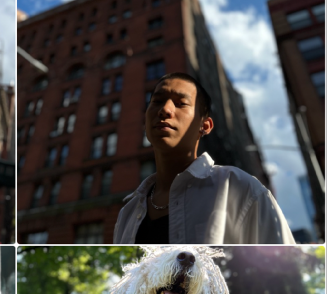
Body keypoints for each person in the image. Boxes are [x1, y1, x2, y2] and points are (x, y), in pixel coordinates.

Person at [113, 72, 295, 243]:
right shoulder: (127, 212)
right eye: (157, 101)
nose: (165, 110)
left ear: (205, 125)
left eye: (180, 103)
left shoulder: (240, 188)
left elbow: (285, 267)